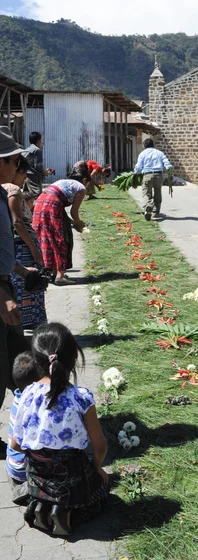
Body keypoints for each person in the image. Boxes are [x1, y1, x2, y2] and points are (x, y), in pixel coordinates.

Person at [11, 322, 109, 536]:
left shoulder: (27, 393)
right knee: (101, 492)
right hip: (71, 474)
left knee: (42, 476)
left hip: (38, 475)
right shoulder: (81, 397)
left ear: (36, 360)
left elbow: (16, 444)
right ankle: (68, 515)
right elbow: (99, 445)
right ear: (75, 353)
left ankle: (41, 504)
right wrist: (98, 467)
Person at [0, 126, 32, 457]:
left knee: (16, 358)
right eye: (12, 160)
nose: (16, 167)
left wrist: (20, 270)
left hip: (4, 286)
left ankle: (30, 418)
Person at [3, 156, 47, 329]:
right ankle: (29, 321)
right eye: (23, 174)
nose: (25, 179)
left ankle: (19, 322)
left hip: (13, 247)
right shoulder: (12, 190)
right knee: (29, 283)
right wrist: (33, 249)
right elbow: (18, 222)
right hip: (22, 245)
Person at [32, 164, 91, 286]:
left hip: (40, 201)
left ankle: (53, 272)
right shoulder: (81, 188)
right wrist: (79, 223)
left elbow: (61, 209)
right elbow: (74, 212)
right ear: (85, 180)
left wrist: (72, 222)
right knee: (60, 238)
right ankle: (60, 275)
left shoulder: (63, 182)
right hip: (52, 204)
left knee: (47, 237)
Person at [6, 351, 39, 505]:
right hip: (24, 470)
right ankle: (32, 491)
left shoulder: (17, 398)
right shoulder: (32, 405)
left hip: (12, 467)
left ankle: (22, 488)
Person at [134, 138, 173, 221]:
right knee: (158, 193)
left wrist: (135, 173)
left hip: (147, 175)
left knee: (146, 193)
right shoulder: (160, 153)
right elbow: (167, 163)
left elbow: (138, 166)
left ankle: (148, 206)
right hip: (159, 175)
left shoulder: (142, 154)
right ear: (153, 145)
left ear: (144, 146)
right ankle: (156, 213)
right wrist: (169, 169)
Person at [21, 132, 52, 199]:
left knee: (26, 196)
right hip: (33, 177)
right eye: (41, 140)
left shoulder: (26, 150)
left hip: (25, 175)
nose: (42, 142)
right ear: (38, 141)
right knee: (37, 195)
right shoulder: (37, 150)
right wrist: (45, 172)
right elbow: (38, 167)